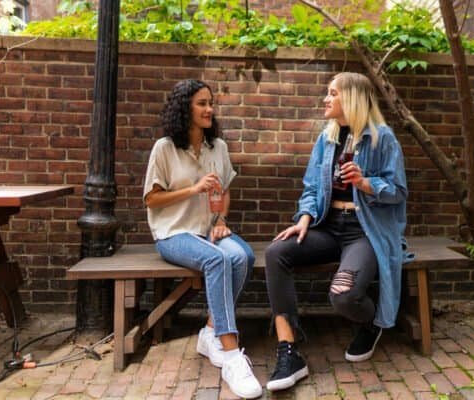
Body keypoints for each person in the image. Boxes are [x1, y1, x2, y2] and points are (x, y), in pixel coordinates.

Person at [264, 72, 408, 391]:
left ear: (352, 98)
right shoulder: (327, 138)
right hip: (328, 227)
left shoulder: (382, 138)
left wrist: (365, 183)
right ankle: (288, 349)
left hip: (364, 231)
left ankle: (370, 323)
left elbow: (398, 192)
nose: (326, 99)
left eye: (333, 93)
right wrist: (303, 218)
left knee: (342, 297)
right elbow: (313, 186)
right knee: (277, 253)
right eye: (327, 92)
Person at [143, 79, 262, 399]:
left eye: (211, 103)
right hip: (173, 233)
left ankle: (210, 331)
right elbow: (152, 200)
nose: (209, 109)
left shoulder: (217, 147)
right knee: (218, 258)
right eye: (201, 103)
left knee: (243, 255)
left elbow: (224, 192)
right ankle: (231, 352)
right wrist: (193, 189)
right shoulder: (165, 148)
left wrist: (221, 220)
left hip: (209, 230)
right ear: (185, 108)